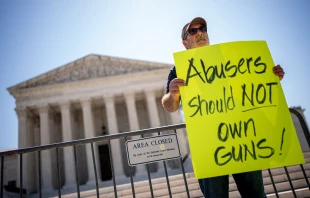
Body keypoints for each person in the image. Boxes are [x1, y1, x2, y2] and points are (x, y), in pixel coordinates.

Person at [161, 17, 285, 198]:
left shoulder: (232, 58)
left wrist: (271, 76)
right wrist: (172, 94)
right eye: (193, 31)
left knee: (256, 194)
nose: (200, 33)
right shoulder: (179, 70)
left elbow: (254, 85)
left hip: (242, 138)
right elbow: (169, 106)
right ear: (185, 43)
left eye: (202, 28)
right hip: (208, 144)